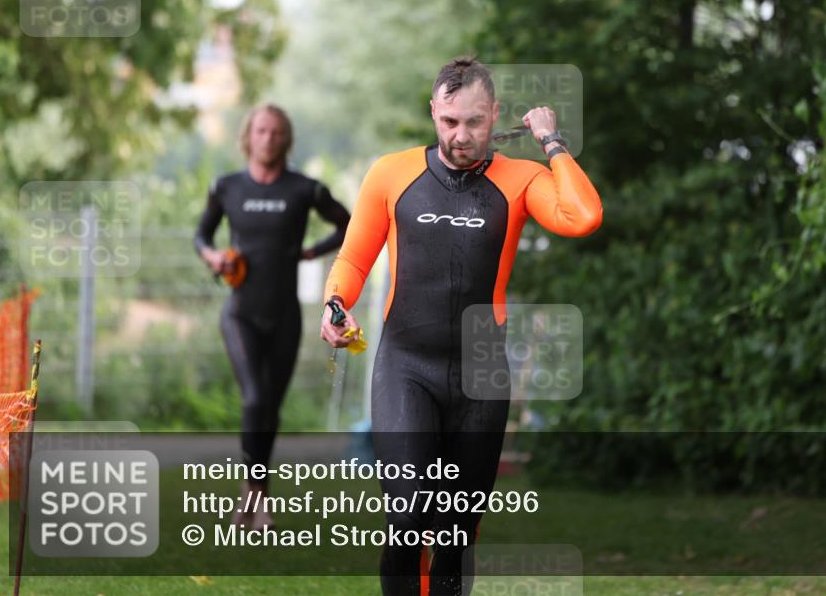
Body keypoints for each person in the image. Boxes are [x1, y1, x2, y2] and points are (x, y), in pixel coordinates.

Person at [319, 57, 602, 595]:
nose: (461, 135)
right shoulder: (391, 173)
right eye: (449, 122)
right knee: (407, 519)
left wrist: (551, 141)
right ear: (433, 112)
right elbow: (353, 261)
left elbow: (582, 215)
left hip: (481, 374)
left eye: (474, 121)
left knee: (454, 532)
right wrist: (336, 303)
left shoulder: (521, 180)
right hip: (406, 365)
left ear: (495, 114)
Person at [195, 103, 350, 528]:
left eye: (277, 132)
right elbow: (201, 234)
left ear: (287, 139)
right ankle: (252, 497)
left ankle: (257, 497)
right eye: (261, 131)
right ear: (249, 135)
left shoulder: (305, 190)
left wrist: (311, 252)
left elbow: (348, 224)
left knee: (272, 407)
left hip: (284, 315)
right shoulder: (225, 187)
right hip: (240, 313)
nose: (268, 139)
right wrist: (213, 257)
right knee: (255, 398)